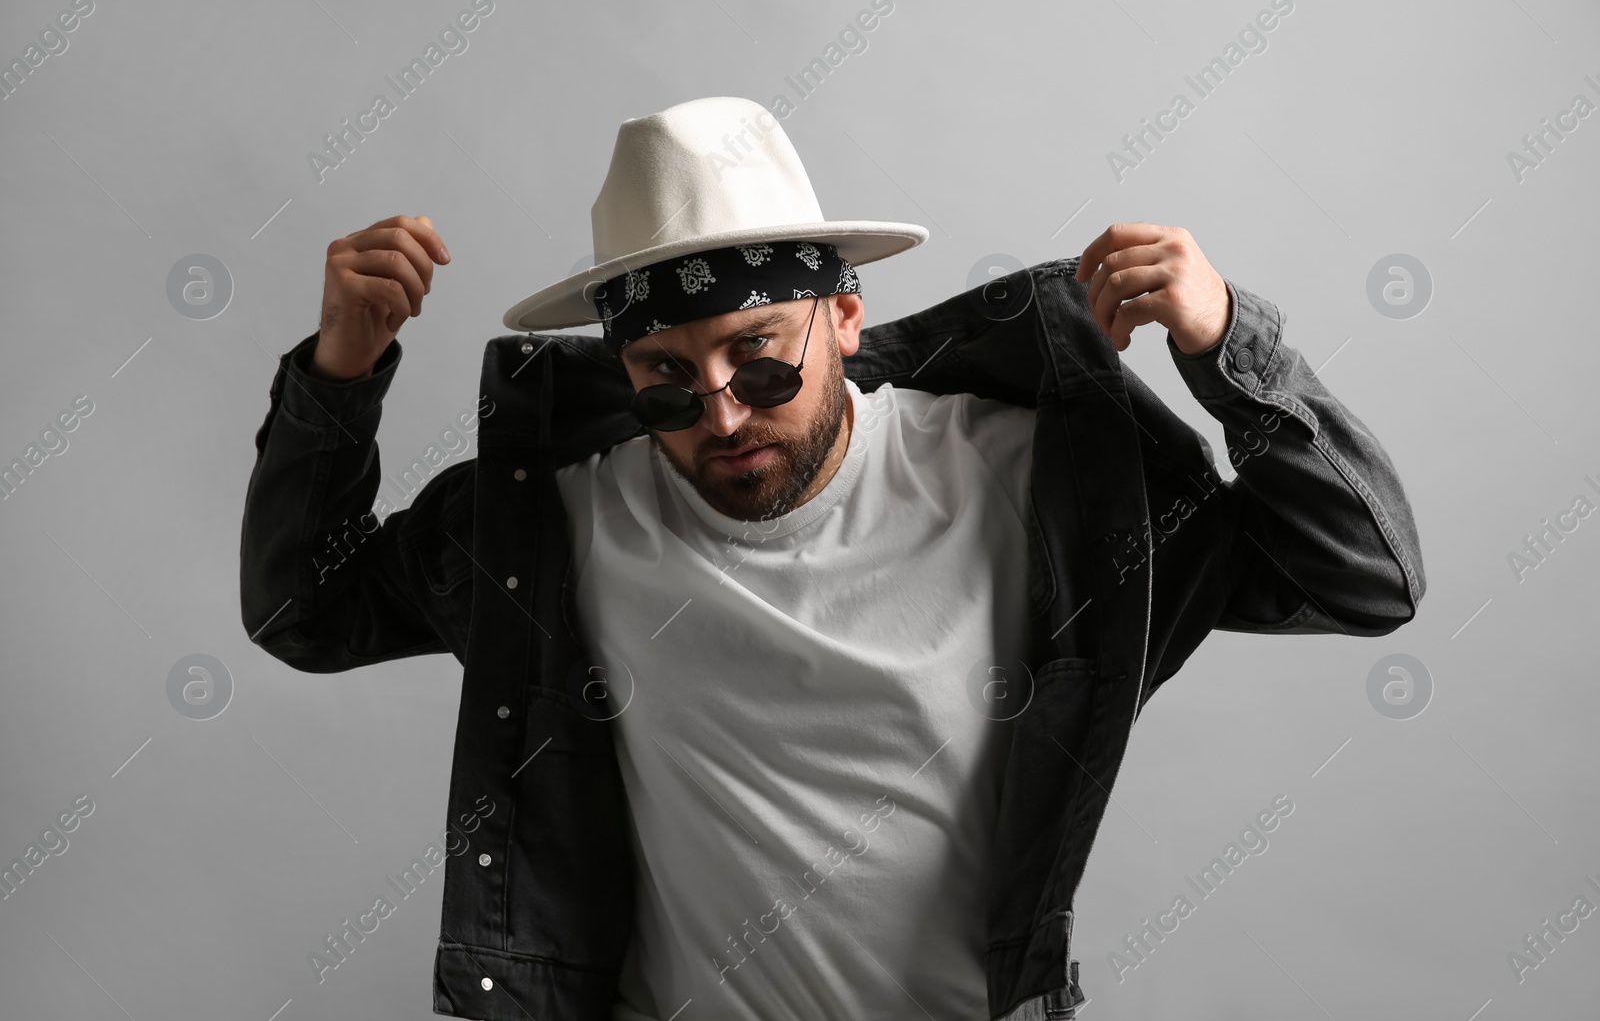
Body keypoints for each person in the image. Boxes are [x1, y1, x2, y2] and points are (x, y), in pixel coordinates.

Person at [241, 96, 1426, 1021]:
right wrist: (339, 381)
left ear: (844, 319)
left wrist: (1230, 347)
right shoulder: (557, 520)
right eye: (663, 383)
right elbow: (307, 606)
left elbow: (1364, 574)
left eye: (759, 361)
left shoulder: (1031, 480)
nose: (720, 417)